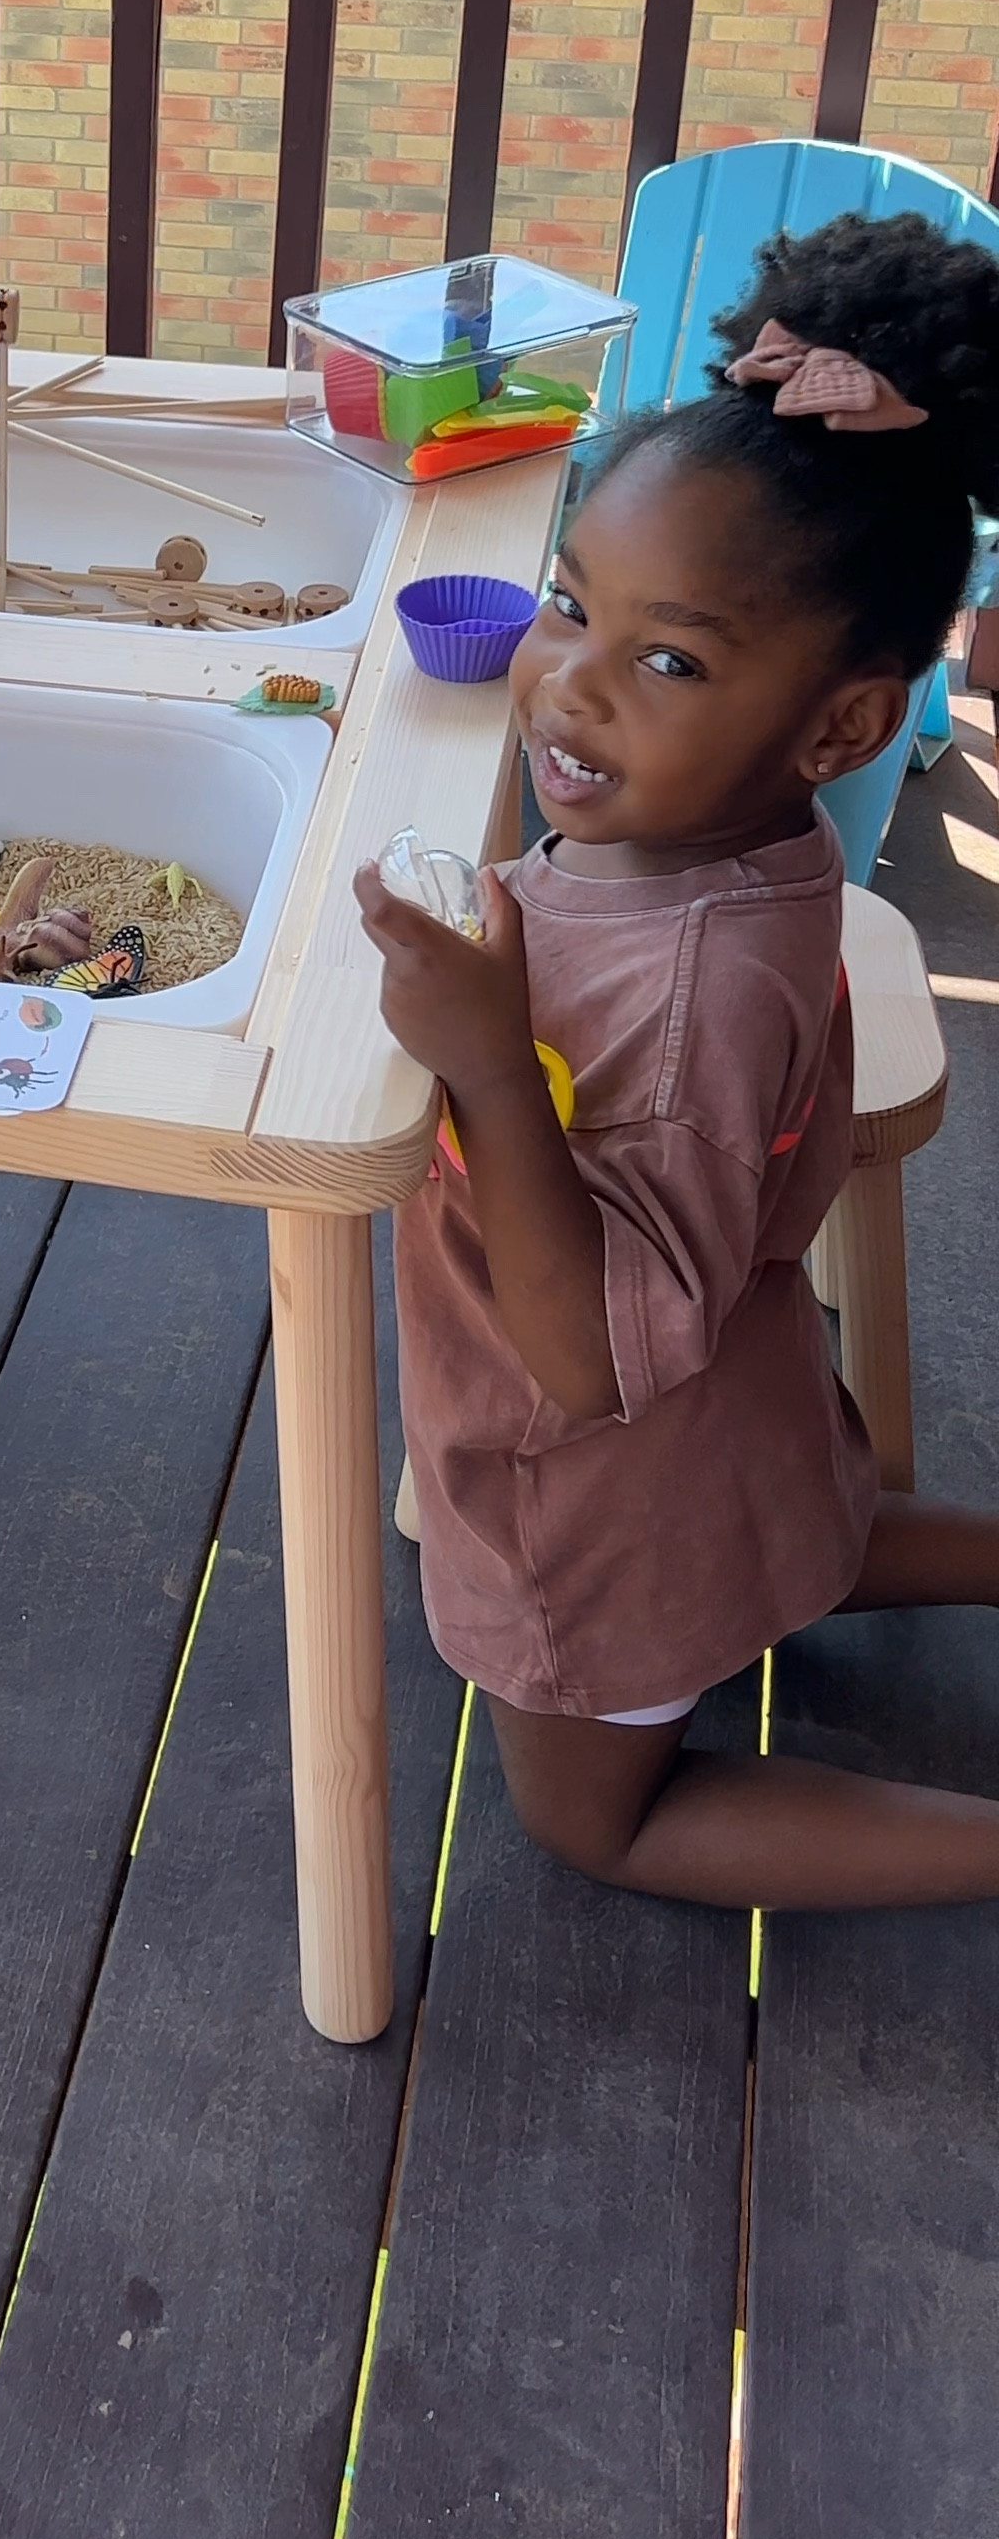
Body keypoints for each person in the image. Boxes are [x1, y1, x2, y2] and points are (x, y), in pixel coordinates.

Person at [356, 209, 999, 1910]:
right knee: (816, 1535)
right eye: (572, 604)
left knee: (597, 1822)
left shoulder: (691, 1001)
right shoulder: (729, 839)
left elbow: (590, 1369)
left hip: (608, 1499)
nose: (570, 686)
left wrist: (493, 1067)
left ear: (844, 725)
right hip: (747, 1417)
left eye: (669, 659)